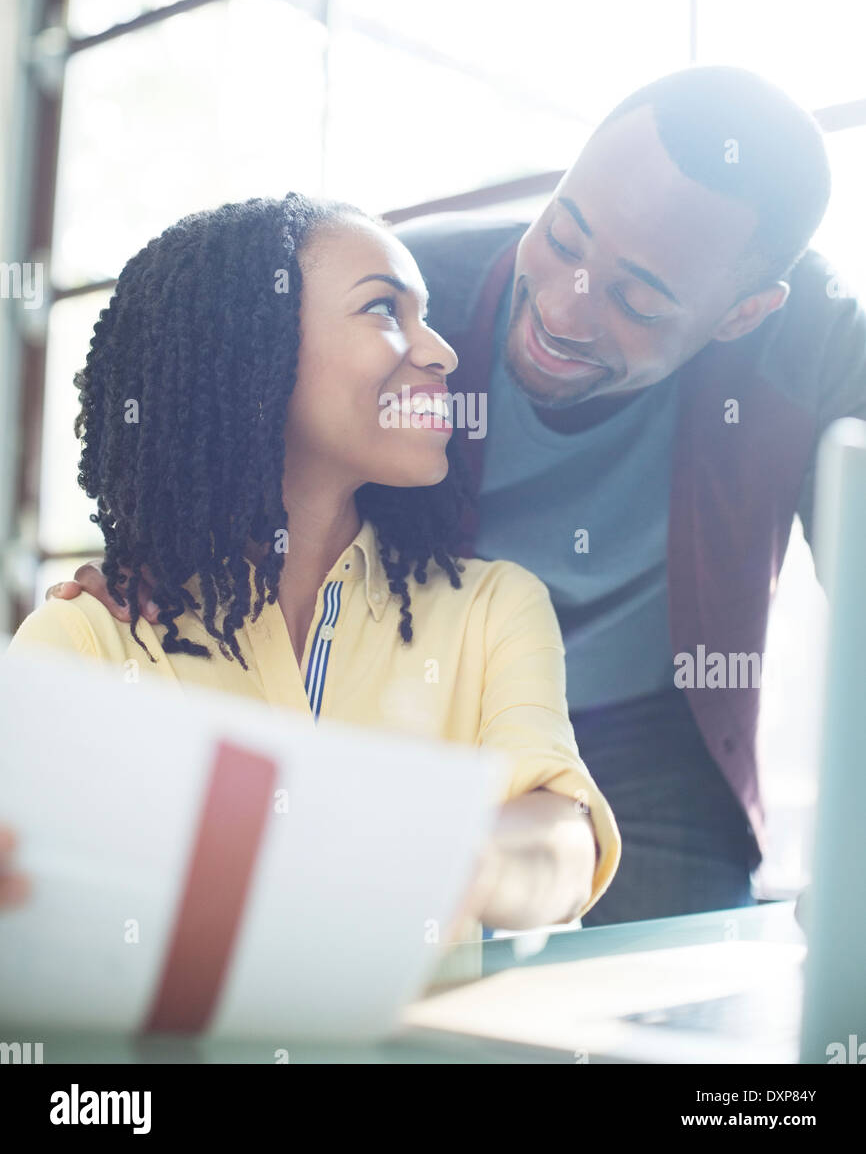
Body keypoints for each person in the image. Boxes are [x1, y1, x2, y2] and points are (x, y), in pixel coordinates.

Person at [52, 63, 853, 926]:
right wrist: (156, 552)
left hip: (653, 724)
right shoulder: (412, 292)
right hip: (424, 693)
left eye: (633, 300)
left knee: (664, 1006)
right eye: (565, 237)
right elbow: (220, 416)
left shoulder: (815, 343)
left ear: (742, 312)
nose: (561, 311)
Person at [5, 192, 620, 938]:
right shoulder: (91, 639)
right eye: (385, 310)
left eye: (424, 314)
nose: (441, 352)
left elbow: (564, 839)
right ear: (248, 349)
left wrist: (437, 865)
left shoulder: (494, 610)